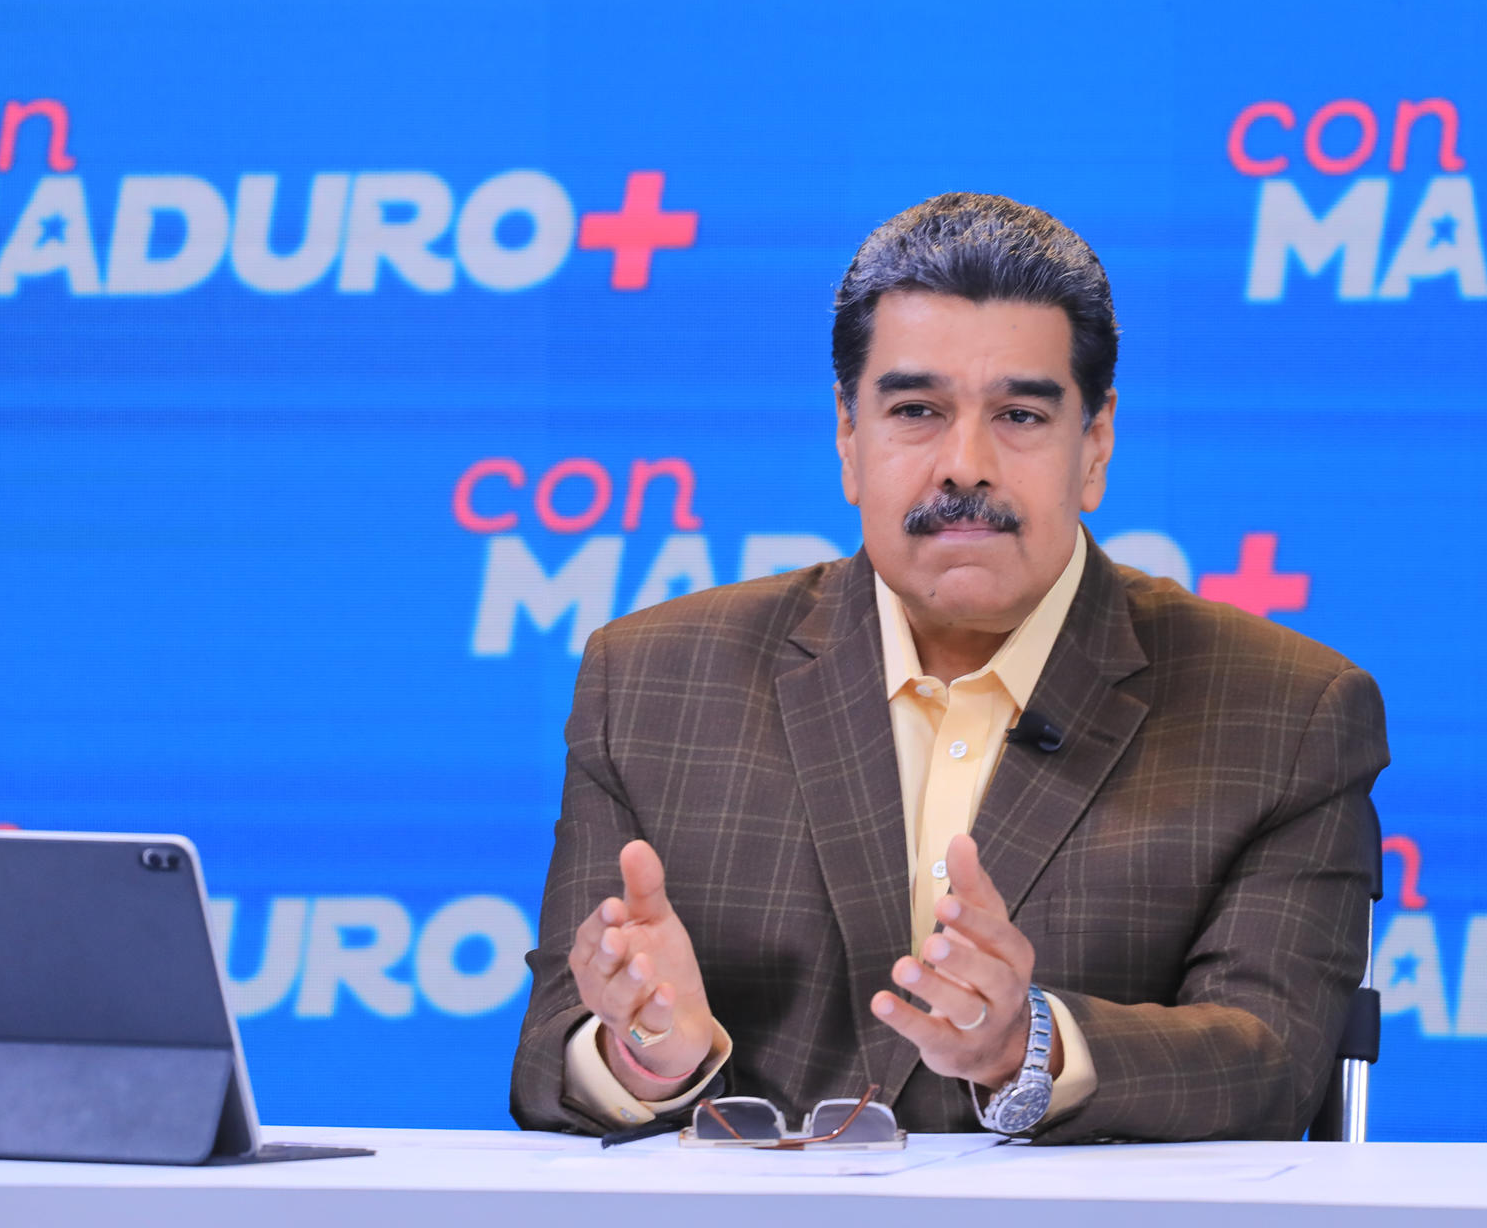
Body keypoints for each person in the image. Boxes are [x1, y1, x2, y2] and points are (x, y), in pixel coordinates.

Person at [510, 193, 1388, 1142]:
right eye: (917, 411)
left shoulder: (1285, 710)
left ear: (1093, 447)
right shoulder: (650, 682)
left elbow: (1271, 1063)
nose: (964, 465)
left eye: (1019, 414)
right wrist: (651, 1051)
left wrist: (1028, 1048)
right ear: (849, 439)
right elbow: (548, 1060)